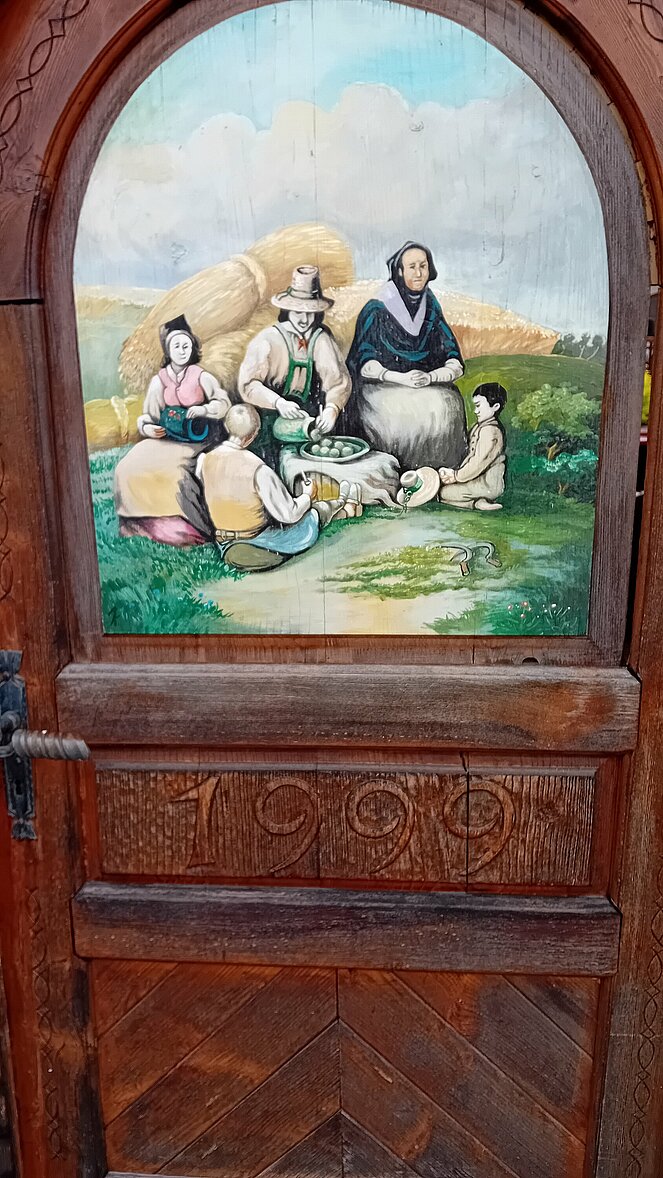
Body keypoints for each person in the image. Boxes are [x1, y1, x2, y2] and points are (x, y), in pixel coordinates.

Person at [345, 242, 468, 470]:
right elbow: (364, 363)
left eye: (423, 266)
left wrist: (430, 377)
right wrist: (401, 378)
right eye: (412, 267)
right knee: (400, 411)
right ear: (399, 271)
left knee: (447, 404)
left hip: (426, 384)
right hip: (381, 386)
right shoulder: (377, 308)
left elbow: (451, 354)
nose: (419, 273)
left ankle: (440, 473)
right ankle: (397, 472)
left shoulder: (430, 306)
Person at [197, 404, 360, 571]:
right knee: (312, 515)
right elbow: (289, 514)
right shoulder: (259, 470)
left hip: (223, 542)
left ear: (226, 425)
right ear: (254, 434)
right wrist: (307, 495)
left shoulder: (204, 460)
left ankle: (345, 509)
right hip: (257, 541)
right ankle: (343, 504)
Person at [114, 315, 231, 545]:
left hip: (198, 439)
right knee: (126, 466)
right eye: (176, 346)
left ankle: (195, 529)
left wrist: (204, 409)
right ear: (168, 350)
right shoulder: (159, 381)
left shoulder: (202, 376)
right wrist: (148, 428)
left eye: (186, 345)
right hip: (166, 438)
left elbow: (223, 403)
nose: (182, 351)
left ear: (193, 347)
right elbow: (148, 416)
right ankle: (136, 524)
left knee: (177, 474)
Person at [238, 265, 351, 465]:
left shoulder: (321, 339)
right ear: (288, 309)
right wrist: (278, 403)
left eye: (310, 313)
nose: (304, 320)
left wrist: (331, 409)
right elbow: (248, 385)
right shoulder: (268, 339)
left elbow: (338, 381)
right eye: (298, 312)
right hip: (269, 425)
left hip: (310, 425)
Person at [439, 382, 507, 510]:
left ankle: (476, 503)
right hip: (475, 479)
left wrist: (456, 476)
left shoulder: (491, 431)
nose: (476, 411)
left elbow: (479, 461)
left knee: (444, 492)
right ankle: (477, 503)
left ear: (495, 406)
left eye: (478, 406)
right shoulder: (479, 427)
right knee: (443, 491)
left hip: (487, 483)